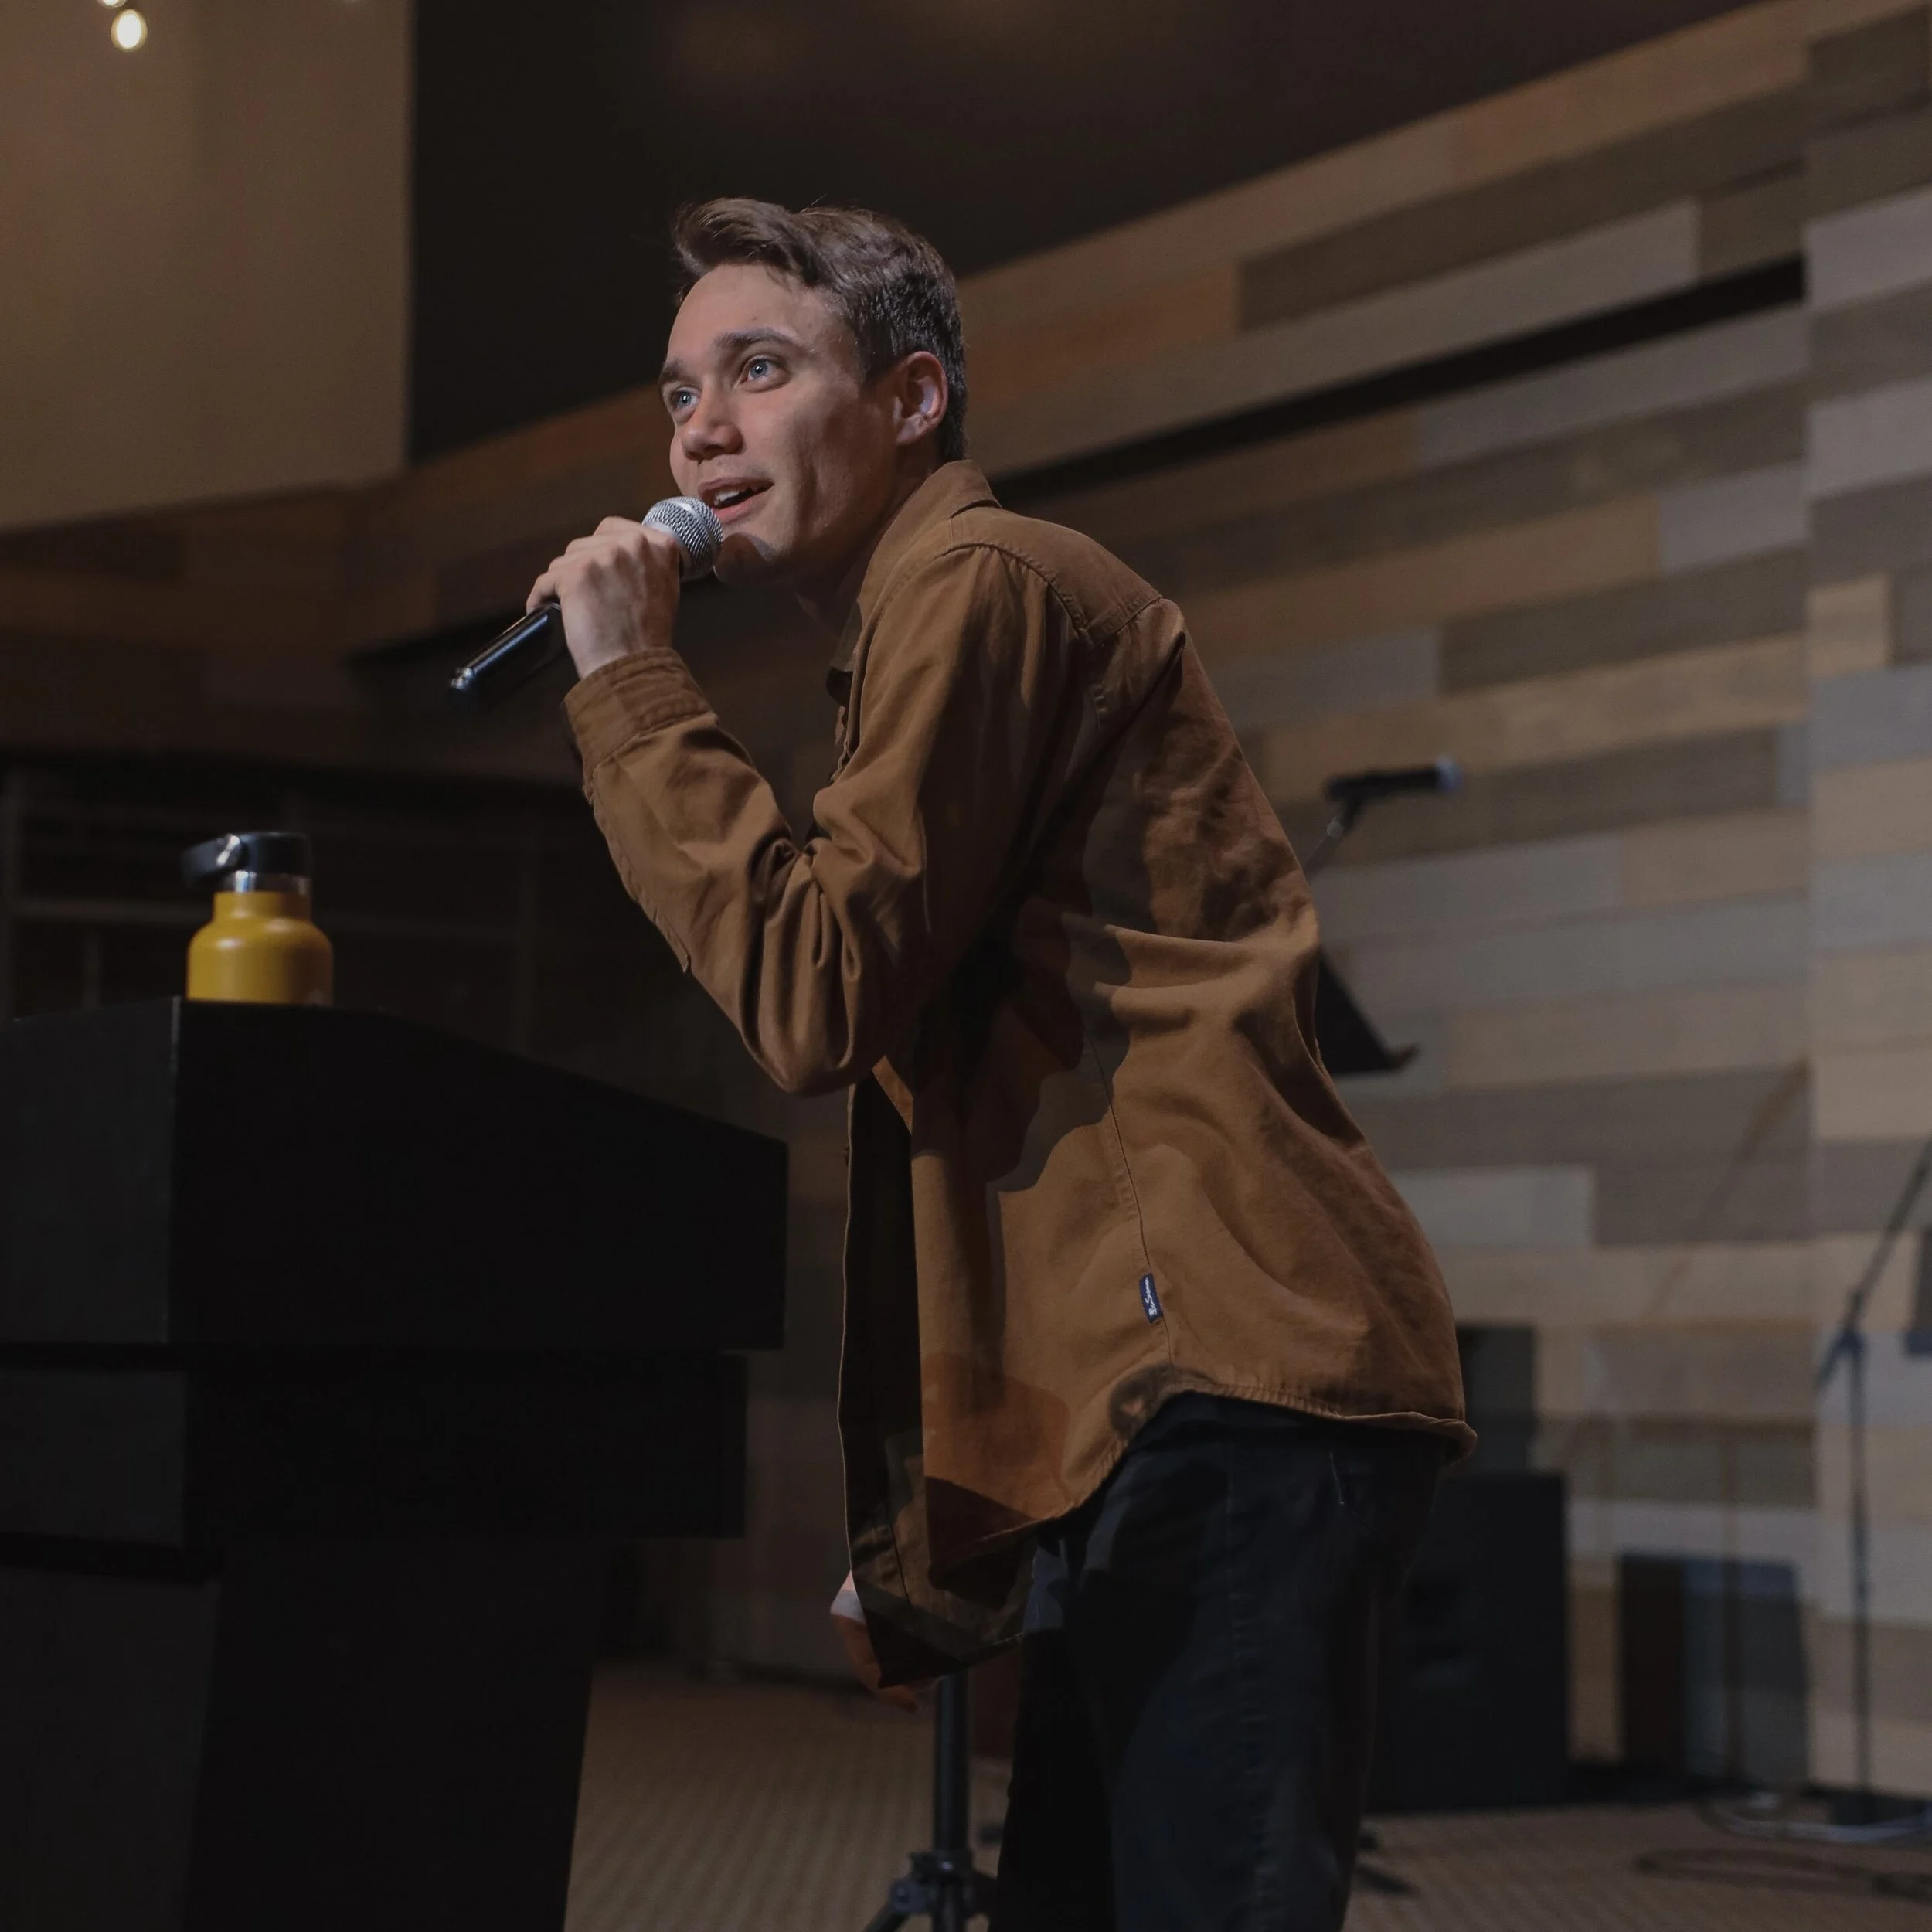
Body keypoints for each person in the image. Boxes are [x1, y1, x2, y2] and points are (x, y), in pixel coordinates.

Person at [534, 197, 1471, 1932]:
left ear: (909, 401)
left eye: (758, 368)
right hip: (1149, 1405)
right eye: (677, 392)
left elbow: (816, 996)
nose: (701, 429)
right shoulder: (910, 625)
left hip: (1225, 1386)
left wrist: (633, 694)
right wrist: (945, 1485)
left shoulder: (981, 580)